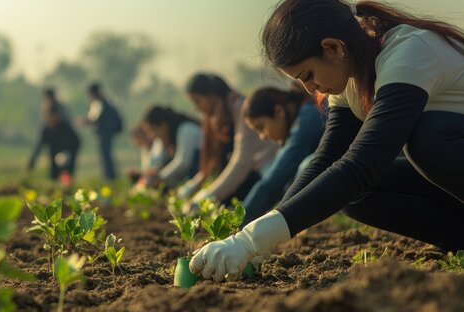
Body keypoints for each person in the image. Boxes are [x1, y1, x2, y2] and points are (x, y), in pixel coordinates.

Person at [190, 0, 464, 282]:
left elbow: (363, 162)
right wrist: (260, 234)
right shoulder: (351, 77)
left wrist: (251, 239)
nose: (310, 89)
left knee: (427, 137)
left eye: (308, 75)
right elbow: (326, 160)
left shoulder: (409, 53)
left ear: (333, 47)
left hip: (445, 144)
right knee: (353, 194)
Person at [177, 73, 278, 211]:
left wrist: (207, 197)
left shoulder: (240, 108)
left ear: (212, 95)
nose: (197, 108)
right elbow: (210, 166)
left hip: (264, 171)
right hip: (250, 174)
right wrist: (193, 188)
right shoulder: (216, 119)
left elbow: (241, 162)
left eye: (198, 101)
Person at [241, 86, 326, 224]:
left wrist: (241, 221)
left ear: (279, 111)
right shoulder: (299, 121)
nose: (262, 136)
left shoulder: (306, 119)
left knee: (306, 166)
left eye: (261, 127)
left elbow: (278, 176)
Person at [139, 105, 202, 188]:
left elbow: (183, 163)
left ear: (163, 125)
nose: (151, 136)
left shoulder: (186, 130)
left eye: (152, 129)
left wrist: (158, 178)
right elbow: (156, 161)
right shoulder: (164, 138)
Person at [27, 89, 81, 182]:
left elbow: (71, 141)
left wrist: (65, 154)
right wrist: (31, 163)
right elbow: (39, 146)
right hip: (54, 146)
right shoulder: (46, 128)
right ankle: (54, 182)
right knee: (54, 171)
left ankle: (66, 184)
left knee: (65, 167)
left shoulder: (63, 123)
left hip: (69, 146)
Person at [83, 83, 123, 180]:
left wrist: (84, 121)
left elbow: (94, 118)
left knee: (105, 155)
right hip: (106, 133)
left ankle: (109, 176)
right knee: (106, 155)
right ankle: (109, 176)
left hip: (104, 133)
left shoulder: (99, 103)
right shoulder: (104, 102)